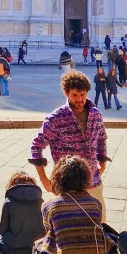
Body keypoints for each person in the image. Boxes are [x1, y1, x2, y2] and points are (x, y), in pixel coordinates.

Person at [29, 72, 109, 213]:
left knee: (99, 226)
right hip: (67, 187)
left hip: (93, 183)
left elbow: (102, 138)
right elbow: (36, 146)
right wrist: (44, 179)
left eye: (82, 95)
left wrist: (102, 163)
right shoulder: (56, 118)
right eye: (75, 95)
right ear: (66, 94)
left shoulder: (96, 114)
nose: (79, 99)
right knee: (68, 229)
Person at [39, 156, 116, 254]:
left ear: (58, 178)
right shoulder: (95, 204)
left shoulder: (50, 206)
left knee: (43, 245)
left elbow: (50, 237)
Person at [0, 172, 45, 254]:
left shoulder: (8, 202)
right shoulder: (41, 202)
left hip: (13, 253)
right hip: (37, 252)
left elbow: (2, 230)